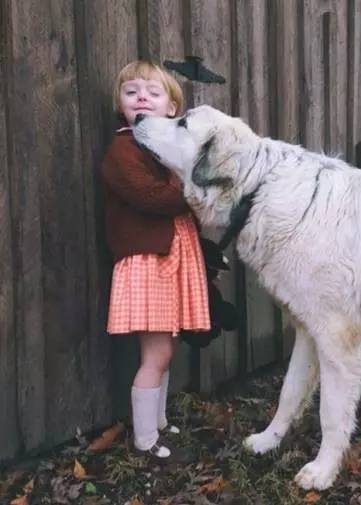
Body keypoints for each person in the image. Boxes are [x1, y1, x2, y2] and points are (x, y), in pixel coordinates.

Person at [101, 60, 210, 461]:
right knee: (156, 354)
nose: (141, 97)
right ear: (122, 105)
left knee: (169, 346)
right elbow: (151, 197)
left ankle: (159, 423)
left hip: (173, 260)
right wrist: (196, 187)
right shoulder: (123, 149)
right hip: (149, 260)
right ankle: (145, 441)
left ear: (172, 107)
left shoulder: (167, 149)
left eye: (153, 91)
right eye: (131, 92)